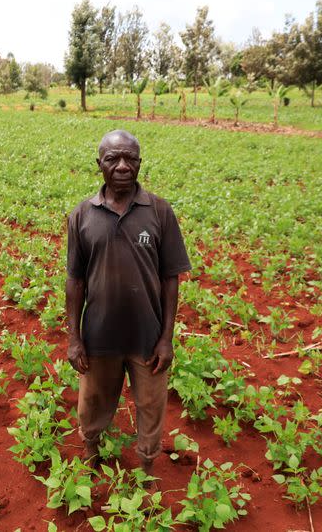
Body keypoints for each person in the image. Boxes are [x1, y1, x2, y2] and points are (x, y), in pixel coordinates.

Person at [65, 129, 191, 479]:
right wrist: (74, 338)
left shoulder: (160, 212)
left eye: (130, 159)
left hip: (147, 339)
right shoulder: (82, 215)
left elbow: (171, 278)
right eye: (113, 159)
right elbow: (74, 280)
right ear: (99, 165)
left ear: (139, 163)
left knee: (151, 406)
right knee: (92, 402)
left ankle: (147, 467)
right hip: (98, 335)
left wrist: (166, 338)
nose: (122, 166)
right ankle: (91, 456)